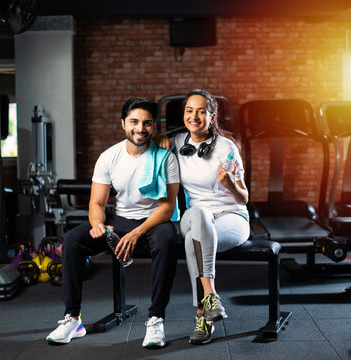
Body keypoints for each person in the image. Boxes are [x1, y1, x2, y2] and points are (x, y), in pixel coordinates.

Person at [46, 98, 180, 348]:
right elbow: (97, 203)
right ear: (123, 124)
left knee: (166, 239)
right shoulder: (109, 157)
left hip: (154, 221)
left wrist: (136, 233)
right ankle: (73, 319)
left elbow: (167, 208)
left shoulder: (166, 158)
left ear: (154, 126)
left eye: (147, 123)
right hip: (119, 220)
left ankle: (156, 319)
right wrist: (97, 224)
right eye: (134, 122)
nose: (140, 128)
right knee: (74, 239)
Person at [158, 89, 250, 345]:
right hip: (196, 216)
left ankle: (202, 315)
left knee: (192, 243)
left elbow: (244, 198)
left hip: (232, 217)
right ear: (184, 114)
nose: (194, 116)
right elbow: (145, 142)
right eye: (189, 110)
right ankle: (211, 295)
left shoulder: (227, 147)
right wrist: (158, 138)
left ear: (212, 116)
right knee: (198, 213)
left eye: (201, 111)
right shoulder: (176, 142)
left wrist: (230, 184)